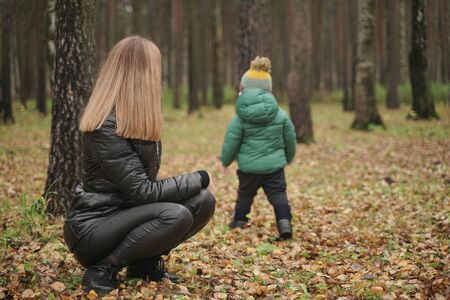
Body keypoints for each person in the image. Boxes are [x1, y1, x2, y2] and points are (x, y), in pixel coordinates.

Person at [63, 36, 216, 294]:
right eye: (154, 68)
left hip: (125, 216)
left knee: (203, 202)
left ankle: (144, 264)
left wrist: (197, 186)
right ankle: (103, 268)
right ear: (139, 73)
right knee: (175, 214)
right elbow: (143, 191)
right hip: (92, 228)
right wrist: (200, 177)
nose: (158, 76)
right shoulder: (104, 125)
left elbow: (140, 192)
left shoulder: (136, 121)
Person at [220, 56, 296, 239]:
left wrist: (225, 160)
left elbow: (232, 140)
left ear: (243, 89)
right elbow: (290, 138)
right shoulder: (281, 115)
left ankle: (238, 221)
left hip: (249, 168)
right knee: (278, 194)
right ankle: (284, 222)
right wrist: (288, 156)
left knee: (245, 194)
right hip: (274, 167)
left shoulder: (240, 117)